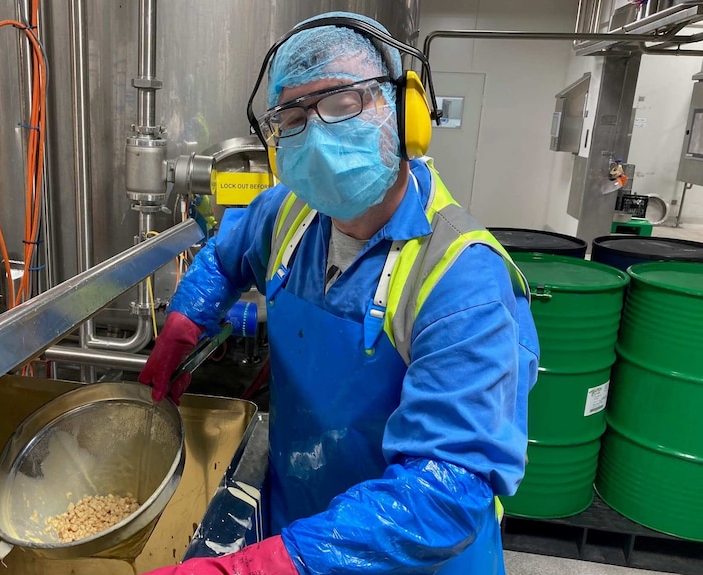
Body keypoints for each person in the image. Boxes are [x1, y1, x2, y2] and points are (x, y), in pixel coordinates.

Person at [138, 11, 539, 575]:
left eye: (341, 103)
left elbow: (447, 489)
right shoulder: (289, 214)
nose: (317, 133)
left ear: (405, 111)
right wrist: (186, 323)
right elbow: (226, 255)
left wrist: (267, 565)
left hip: (410, 557)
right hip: (303, 514)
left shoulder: (461, 280)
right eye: (294, 116)